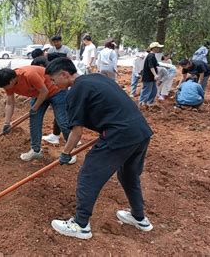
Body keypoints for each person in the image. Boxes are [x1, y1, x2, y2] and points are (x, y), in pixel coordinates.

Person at [45, 58, 154, 240]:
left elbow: (76, 131)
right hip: (140, 131)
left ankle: (80, 225)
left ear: (64, 74)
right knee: (128, 176)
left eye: (53, 80)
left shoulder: (76, 91)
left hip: (119, 134)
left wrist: (65, 153)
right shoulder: (95, 78)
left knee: (88, 176)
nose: (53, 84)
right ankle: (139, 217)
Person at [0, 65, 72, 162]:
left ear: (12, 80)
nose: (5, 89)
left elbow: (44, 91)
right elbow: (10, 103)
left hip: (56, 91)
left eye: (5, 86)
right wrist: (7, 123)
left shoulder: (29, 75)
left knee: (62, 121)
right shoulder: (7, 83)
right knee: (34, 121)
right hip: (38, 94)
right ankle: (36, 151)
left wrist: (35, 107)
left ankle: (70, 151)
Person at [139, 42, 163, 106]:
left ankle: (149, 102)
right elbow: (151, 66)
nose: (159, 49)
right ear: (154, 48)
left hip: (151, 77)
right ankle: (142, 103)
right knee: (146, 90)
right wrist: (155, 74)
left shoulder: (152, 55)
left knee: (153, 90)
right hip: (148, 77)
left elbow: (155, 65)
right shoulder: (151, 56)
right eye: (158, 48)